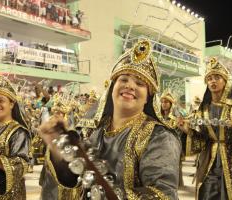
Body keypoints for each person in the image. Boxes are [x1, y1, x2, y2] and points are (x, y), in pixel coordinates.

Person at [39, 40, 181, 199]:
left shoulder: (159, 137)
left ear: (148, 97)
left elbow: (162, 194)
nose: (130, 86)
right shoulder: (92, 130)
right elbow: (75, 179)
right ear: (113, 87)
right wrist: (56, 148)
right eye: (123, 79)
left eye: (139, 83)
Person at [178, 57, 232, 199]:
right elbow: (202, 140)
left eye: (217, 77)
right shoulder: (203, 109)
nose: (213, 81)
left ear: (225, 81)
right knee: (208, 192)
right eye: (209, 78)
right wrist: (186, 129)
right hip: (209, 160)